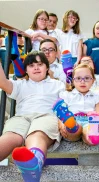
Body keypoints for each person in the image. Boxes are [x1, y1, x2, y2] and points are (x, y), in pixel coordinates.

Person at [0, 51, 65, 181]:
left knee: (37, 134)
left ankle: (33, 165)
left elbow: (63, 105)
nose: (36, 67)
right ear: (26, 70)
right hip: (22, 116)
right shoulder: (20, 84)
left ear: (47, 68)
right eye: (31, 65)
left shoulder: (57, 84)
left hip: (46, 115)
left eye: (40, 64)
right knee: (12, 136)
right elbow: (2, 83)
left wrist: (62, 122)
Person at [55, 64, 99, 145]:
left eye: (87, 78)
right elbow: (60, 115)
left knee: (88, 133)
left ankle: (92, 135)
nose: (82, 81)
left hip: (90, 120)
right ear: (73, 81)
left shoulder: (97, 95)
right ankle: (71, 125)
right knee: (72, 132)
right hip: (73, 118)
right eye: (78, 78)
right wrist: (61, 124)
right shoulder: (66, 94)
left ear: (93, 80)